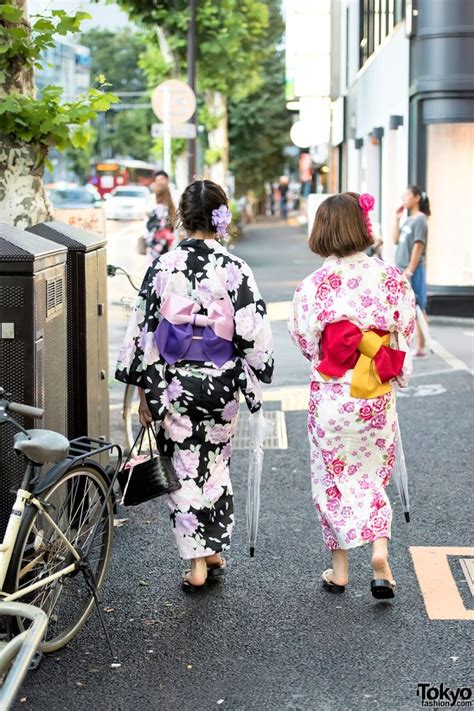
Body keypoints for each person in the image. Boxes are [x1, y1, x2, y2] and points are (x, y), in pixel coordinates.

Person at [116, 179, 274, 592]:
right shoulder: (236, 269)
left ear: (182, 218)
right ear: (221, 219)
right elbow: (254, 332)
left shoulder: (163, 267)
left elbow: (144, 332)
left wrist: (143, 393)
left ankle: (197, 565)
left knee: (184, 470)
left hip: (173, 387)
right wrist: (255, 369)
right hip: (221, 385)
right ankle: (215, 549)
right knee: (217, 464)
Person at [288, 192, 416, 600]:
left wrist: (332, 358)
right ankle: (380, 555)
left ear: (322, 230)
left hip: (330, 395)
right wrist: (390, 366)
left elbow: (306, 341)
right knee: (373, 474)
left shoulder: (312, 286)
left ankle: (340, 570)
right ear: (364, 227)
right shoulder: (391, 277)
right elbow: (404, 332)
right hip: (373, 390)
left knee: (332, 477)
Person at [393, 185, 431, 358]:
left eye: (407, 195)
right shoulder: (409, 220)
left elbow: (418, 245)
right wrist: (397, 219)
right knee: (410, 307)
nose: (404, 198)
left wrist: (410, 269)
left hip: (413, 270)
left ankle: (423, 346)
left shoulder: (421, 219)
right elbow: (395, 240)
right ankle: (420, 344)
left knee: (418, 307)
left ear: (416, 197)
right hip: (403, 269)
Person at [144, 184, 176, 261]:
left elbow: (152, 227)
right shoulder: (169, 208)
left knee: (155, 267)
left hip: (155, 244)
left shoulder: (157, 209)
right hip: (165, 243)